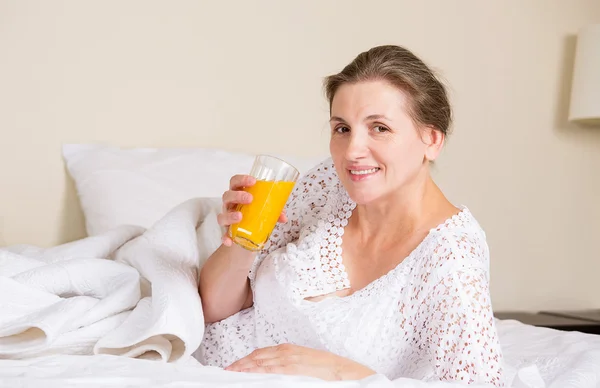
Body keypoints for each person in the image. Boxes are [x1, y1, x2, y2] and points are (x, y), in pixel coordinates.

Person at [196, 45, 504, 386]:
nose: (353, 151)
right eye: (342, 129)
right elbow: (213, 310)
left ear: (431, 140)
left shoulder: (450, 258)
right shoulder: (328, 184)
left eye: (379, 128)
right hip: (191, 369)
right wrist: (241, 238)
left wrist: (342, 372)